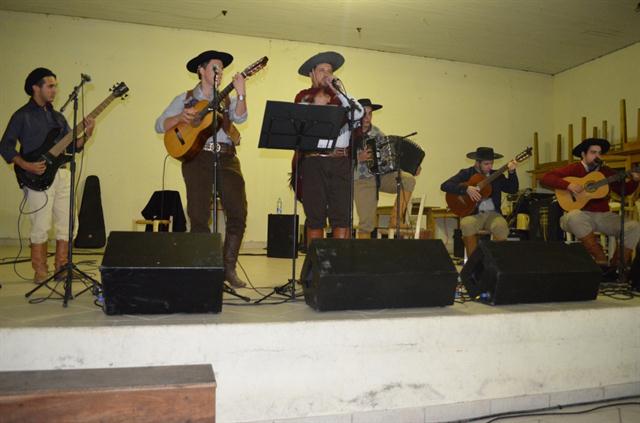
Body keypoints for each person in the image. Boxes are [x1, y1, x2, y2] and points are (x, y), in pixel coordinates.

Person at [155, 50, 248, 288]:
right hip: (197, 157)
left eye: (222, 69)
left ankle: (228, 268)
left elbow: (241, 118)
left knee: (238, 212)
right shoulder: (185, 98)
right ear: (202, 70)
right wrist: (180, 119)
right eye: (215, 67)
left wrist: (241, 92)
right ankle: (204, 268)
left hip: (227, 157)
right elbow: (159, 124)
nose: (220, 72)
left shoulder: (227, 98)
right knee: (198, 215)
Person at [0, 67, 95, 283]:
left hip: (62, 175)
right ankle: (40, 270)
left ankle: (62, 267)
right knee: (41, 224)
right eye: (50, 86)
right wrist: (26, 165)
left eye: (55, 86)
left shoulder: (58, 118)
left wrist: (87, 134)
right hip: (35, 177)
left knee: (68, 223)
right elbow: (5, 146)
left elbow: (73, 146)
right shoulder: (21, 116)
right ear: (36, 87)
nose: (54, 90)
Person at [293, 51, 363, 244]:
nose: (326, 74)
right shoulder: (303, 97)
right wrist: (316, 106)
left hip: (341, 161)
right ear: (312, 74)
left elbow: (358, 114)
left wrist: (338, 93)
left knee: (342, 215)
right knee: (315, 216)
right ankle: (316, 267)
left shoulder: (343, 98)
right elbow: (300, 123)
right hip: (314, 161)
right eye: (321, 70)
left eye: (329, 70)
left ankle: (338, 265)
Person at [541, 138, 640, 269]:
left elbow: (625, 191)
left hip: (604, 216)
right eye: (593, 152)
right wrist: (568, 185)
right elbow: (546, 178)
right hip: (580, 216)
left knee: (633, 226)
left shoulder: (606, 172)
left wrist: (634, 180)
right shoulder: (574, 168)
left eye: (599, 153)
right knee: (574, 216)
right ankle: (600, 258)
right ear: (583, 154)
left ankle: (617, 266)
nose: (597, 156)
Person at [353, 98, 417, 239]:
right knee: (366, 223)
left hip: (380, 176)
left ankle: (395, 220)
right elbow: (337, 157)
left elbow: (389, 159)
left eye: (370, 114)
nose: (367, 117)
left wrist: (411, 167)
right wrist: (358, 158)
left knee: (408, 179)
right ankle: (363, 256)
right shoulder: (348, 133)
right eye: (363, 113)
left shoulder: (378, 133)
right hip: (361, 179)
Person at [440, 147, 518, 257]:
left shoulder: (497, 175)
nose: (490, 167)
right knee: (466, 224)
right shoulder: (466, 173)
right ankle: (473, 264)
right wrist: (466, 189)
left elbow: (513, 189)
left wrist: (512, 172)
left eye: (491, 163)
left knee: (501, 226)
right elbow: (445, 186)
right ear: (477, 163)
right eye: (486, 164)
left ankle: (495, 263)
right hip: (473, 214)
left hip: (493, 214)